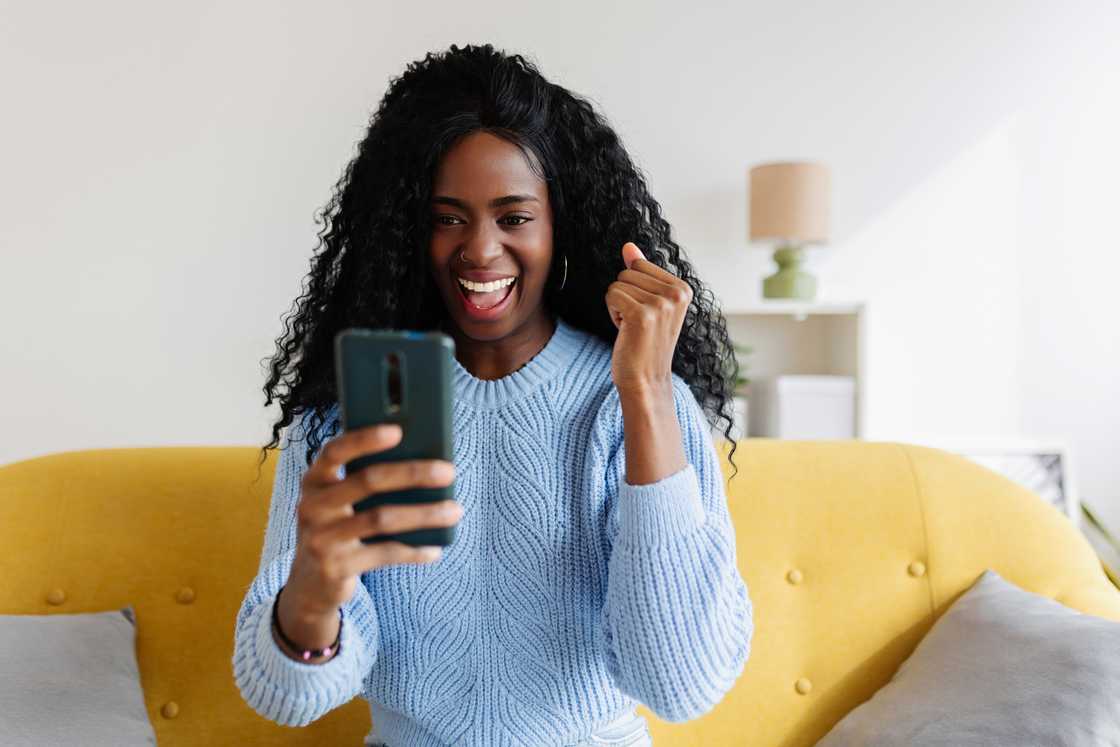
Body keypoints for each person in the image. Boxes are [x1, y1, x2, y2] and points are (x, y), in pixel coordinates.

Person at [232, 42, 753, 747]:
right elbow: (292, 699)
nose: (480, 249)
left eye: (513, 217)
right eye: (448, 217)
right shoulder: (349, 413)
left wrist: (646, 393)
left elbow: (680, 683)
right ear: (408, 228)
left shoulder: (635, 400)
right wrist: (314, 590)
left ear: (559, 224)